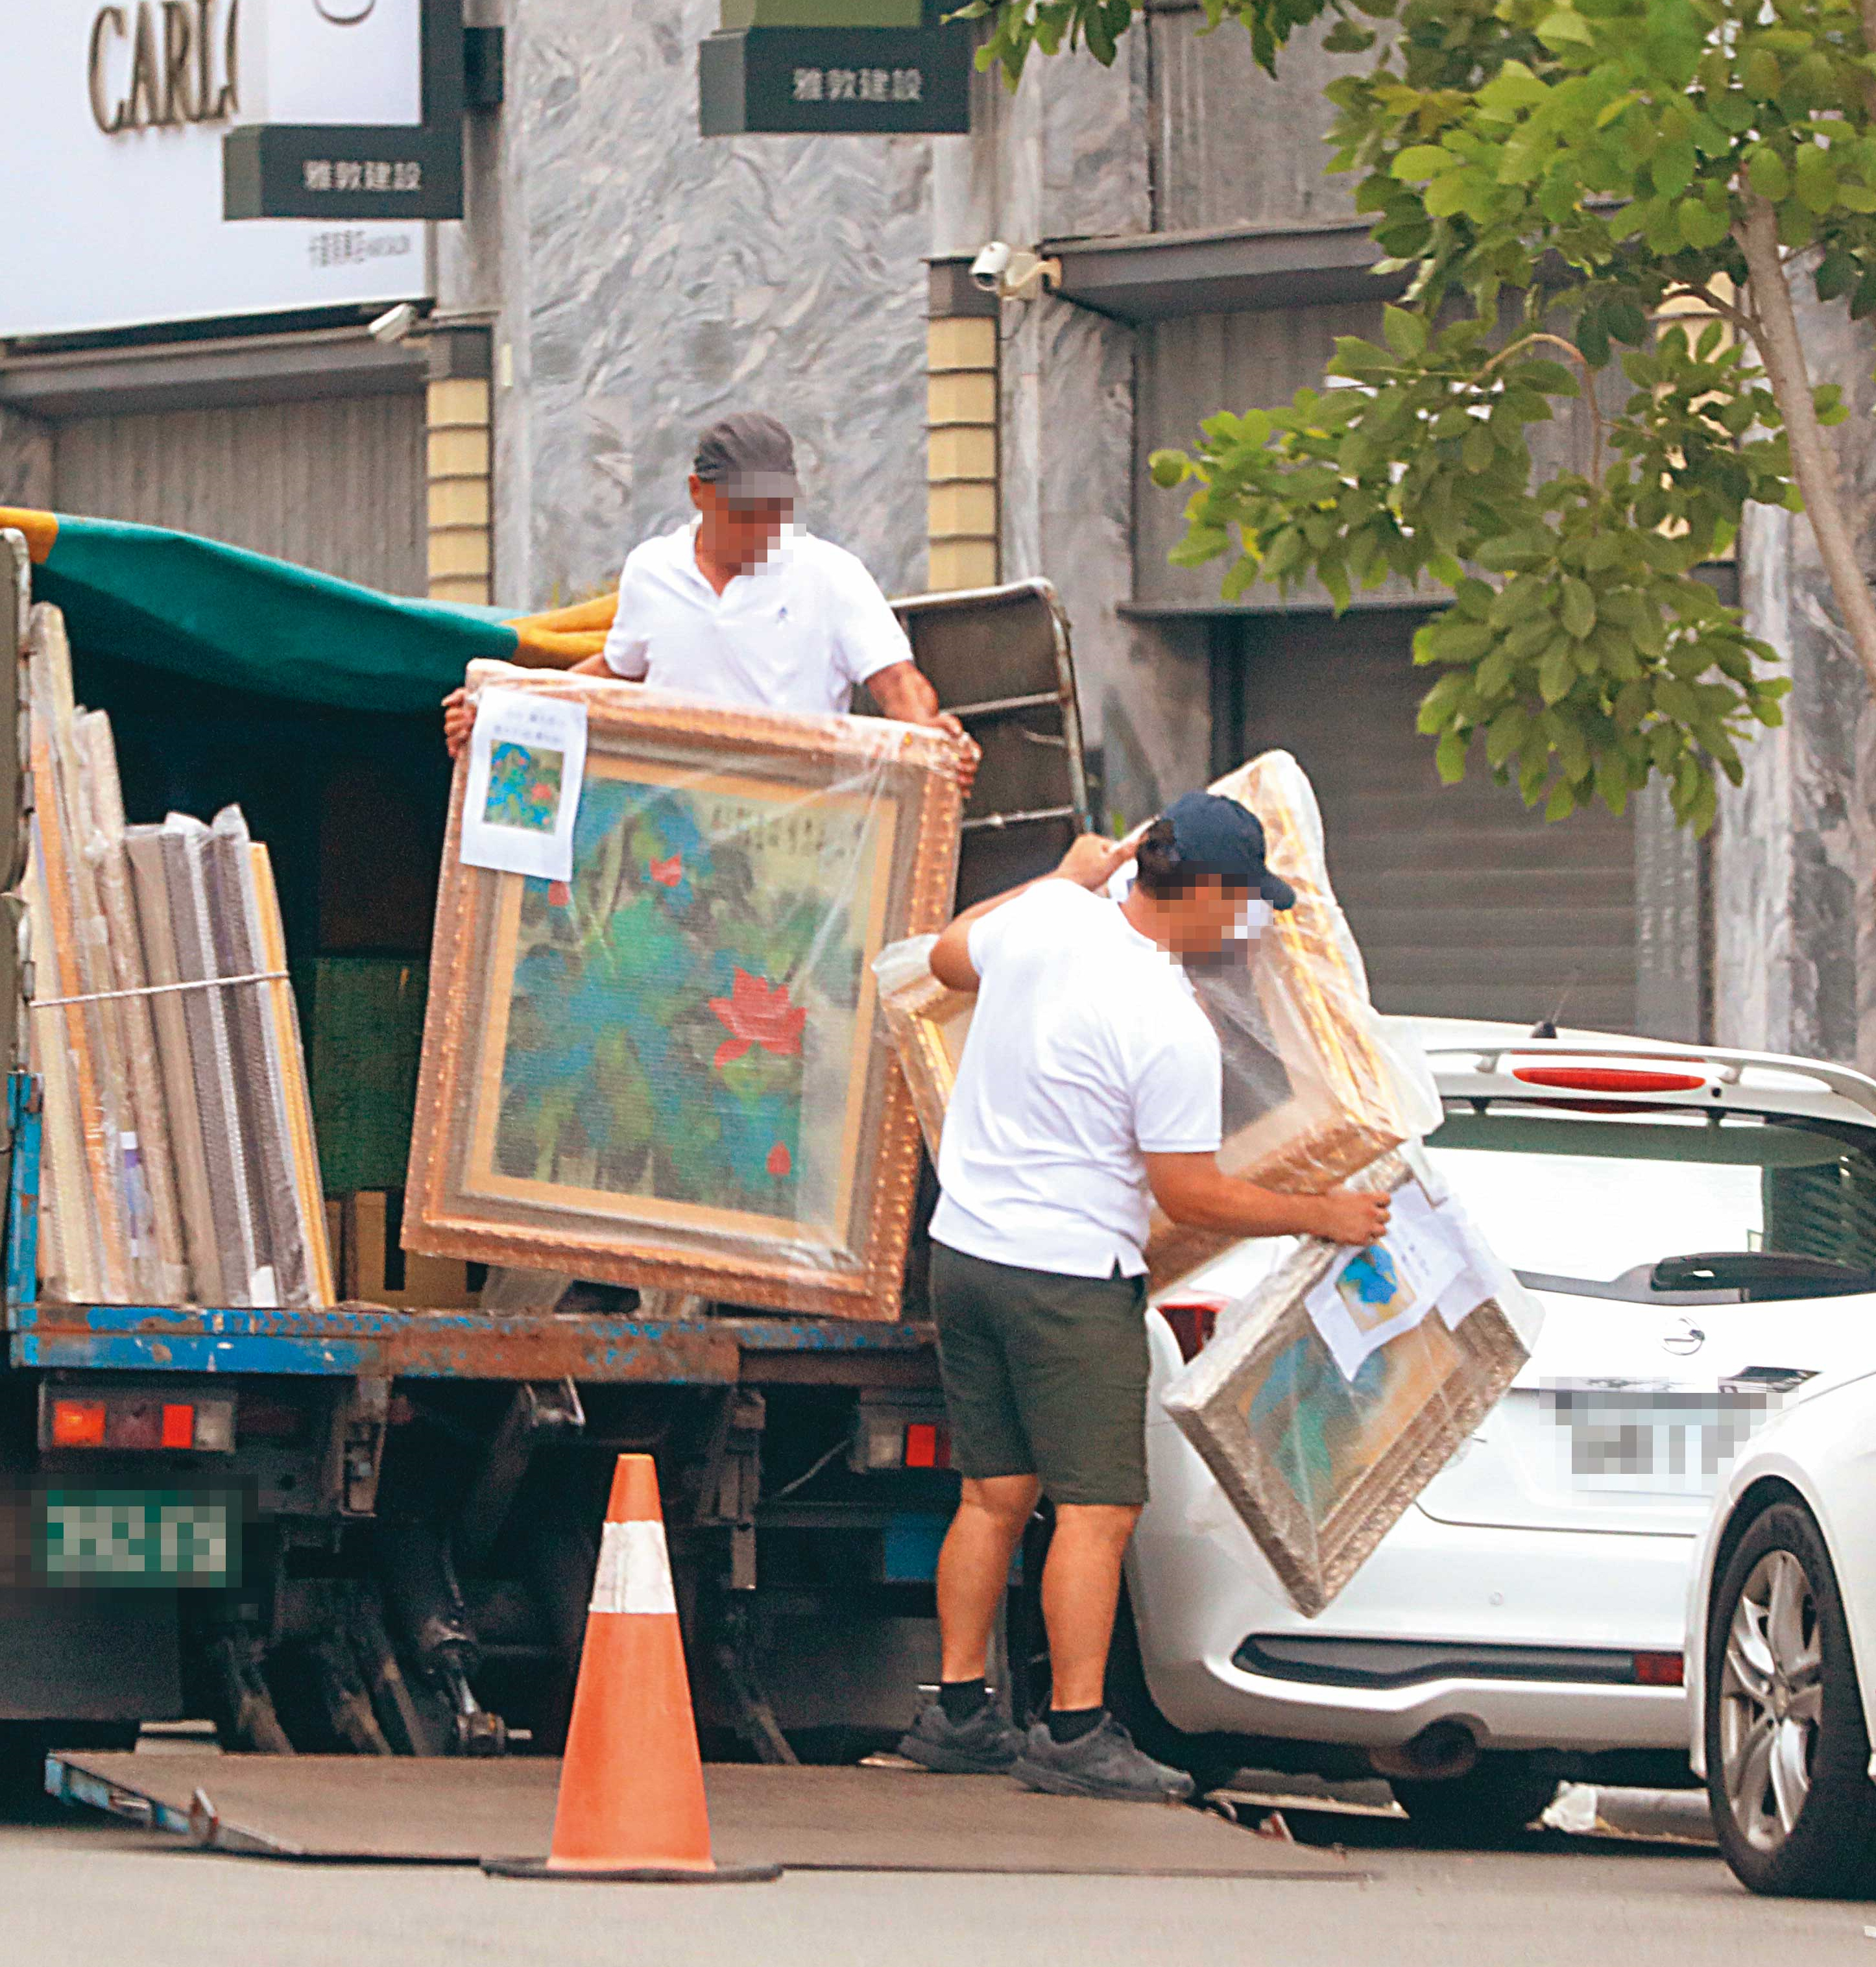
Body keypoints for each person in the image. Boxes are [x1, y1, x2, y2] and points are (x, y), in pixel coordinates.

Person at [892, 793, 1393, 1803]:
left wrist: (1067, 876)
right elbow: (1190, 1193)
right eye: (1244, 902)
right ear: (1201, 891)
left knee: (993, 1495)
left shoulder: (1050, 916)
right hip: (1066, 1280)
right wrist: (1320, 1213)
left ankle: (955, 1713)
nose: (1246, 923)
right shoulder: (1167, 1023)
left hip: (967, 1256)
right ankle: (1074, 1733)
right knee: (1098, 1509)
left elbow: (946, 959)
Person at [444, 409, 972, 755]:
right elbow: (616, 672)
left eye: (775, 513)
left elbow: (897, 683)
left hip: (798, 824)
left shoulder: (830, 574)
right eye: (744, 514)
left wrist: (929, 736)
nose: (761, 531)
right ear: (699, 493)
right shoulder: (652, 572)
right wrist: (498, 711)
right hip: (677, 832)